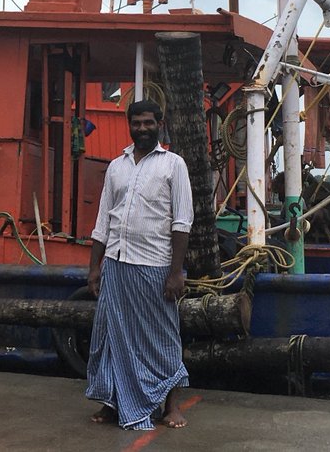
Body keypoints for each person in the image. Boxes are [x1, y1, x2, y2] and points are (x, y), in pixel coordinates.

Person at [86, 100, 193, 431]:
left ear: (160, 124)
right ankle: (112, 402)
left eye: (148, 123)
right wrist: (94, 268)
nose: (142, 129)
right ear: (129, 125)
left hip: (154, 265)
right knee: (110, 336)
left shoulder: (173, 165)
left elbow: (182, 222)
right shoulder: (116, 166)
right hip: (116, 263)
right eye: (137, 123)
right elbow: (103, 220)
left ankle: (171, 405)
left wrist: (176, 272)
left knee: (162, 336)